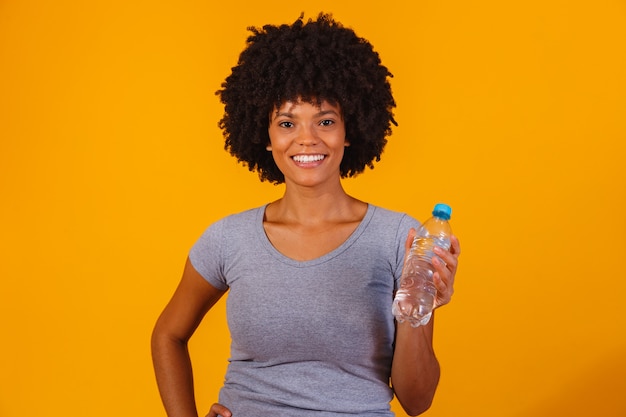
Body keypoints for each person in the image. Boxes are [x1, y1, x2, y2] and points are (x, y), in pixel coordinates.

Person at [151, 13, 460, 417]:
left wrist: (420, 309)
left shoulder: (398, 238)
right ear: (266, 135)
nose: (307, 139)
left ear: (350, 130)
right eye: (287, 122)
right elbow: (167, 335)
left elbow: (417, 402)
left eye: (326, 121)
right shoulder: (228, 239)